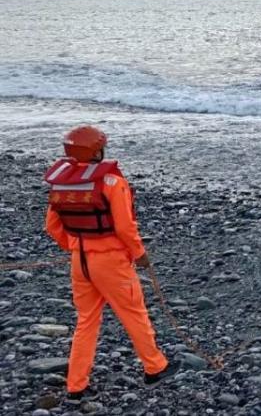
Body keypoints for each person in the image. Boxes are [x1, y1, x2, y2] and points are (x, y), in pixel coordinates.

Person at [44, 125, 179, 400]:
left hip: (79, 261)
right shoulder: (112, 182)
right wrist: (139, 254)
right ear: (97, 151)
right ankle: (155, 367)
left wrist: (74, 246)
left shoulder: (63, 182)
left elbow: (52, 226)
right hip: (111, 262)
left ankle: (76, 385)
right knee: (133, 313)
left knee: (86, 320)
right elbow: (125, 227)